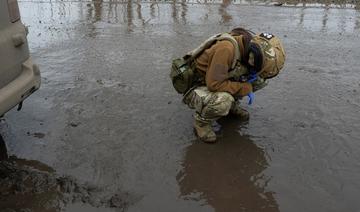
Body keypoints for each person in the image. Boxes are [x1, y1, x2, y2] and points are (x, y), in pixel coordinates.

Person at [171, 28, 286, 143]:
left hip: (216, 78)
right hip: (196, 86)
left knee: (259, 81)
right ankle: (201, 123)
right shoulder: (226, 49)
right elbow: (214, 85)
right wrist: (244, 88)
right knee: (224, 101)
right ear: (254, 58)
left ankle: (231, 106)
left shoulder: (247, 46)